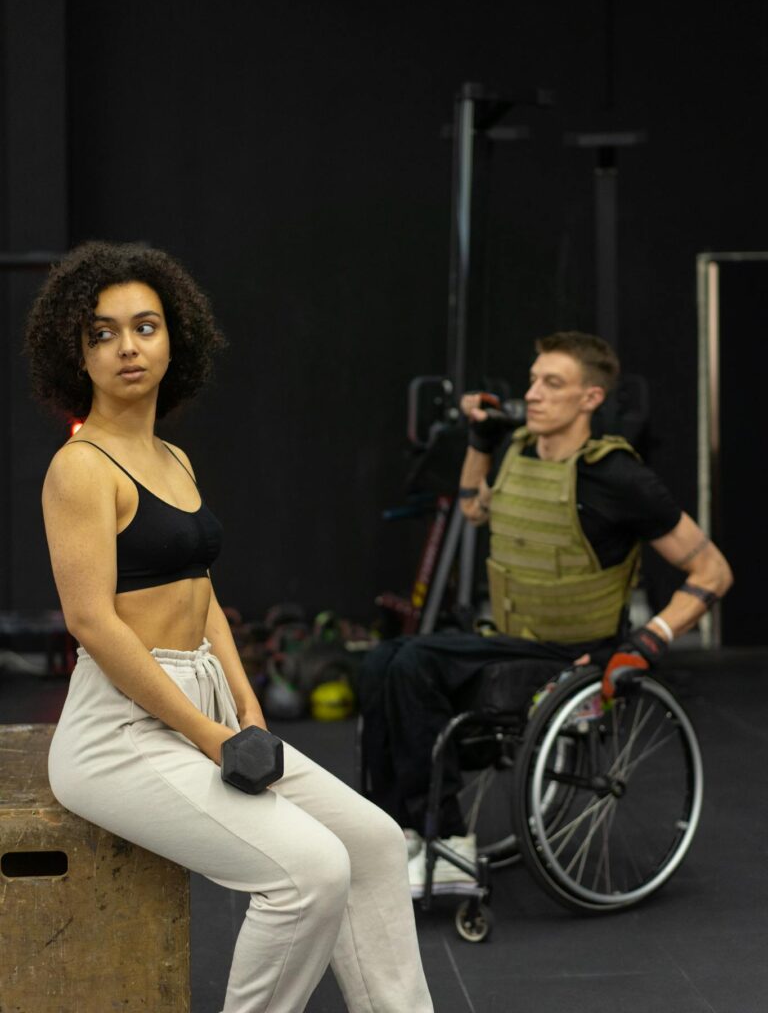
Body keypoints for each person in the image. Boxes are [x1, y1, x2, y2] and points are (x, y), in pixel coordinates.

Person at [26, 241, 434, 1013]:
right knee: (309, 875)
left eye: (144, 326)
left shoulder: (171, 457)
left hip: (203, 700)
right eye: (102, 334)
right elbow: (93, 623)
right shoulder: (80, 468)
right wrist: (212, 738)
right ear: (76, 356)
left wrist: (244, 705)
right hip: (119, 730)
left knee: (374, 845)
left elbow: (200, 590)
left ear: (175, 336)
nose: (127, 347)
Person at [358, 330, 733, 895]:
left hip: (571, 655)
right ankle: (404, 831)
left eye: (551, 383)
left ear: (590, 399)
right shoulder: (516, 450)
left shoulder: (619, 477)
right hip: (510, 638)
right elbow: (471, 510)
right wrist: (481, 441)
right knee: (379, 661)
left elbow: (714, 572)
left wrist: (647, 643)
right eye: (533, 380)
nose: (532, 393)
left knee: (413, 665)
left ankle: (450, 844)